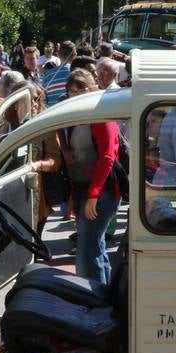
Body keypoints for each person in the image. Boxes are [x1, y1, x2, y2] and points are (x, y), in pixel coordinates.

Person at [61, 69, 121, 285]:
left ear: (91, 88)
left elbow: (107, 158)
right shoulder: (78, 116)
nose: (75, 95)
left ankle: (92, 299)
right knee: (95, 246)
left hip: (101, 191)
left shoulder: (100, 115)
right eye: (71, 92)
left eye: (80, 90)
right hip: (84, 188)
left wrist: (94, 194)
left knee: (87, 251)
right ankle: (103, 296)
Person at [41, 40, 75, 107]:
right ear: (75, 55)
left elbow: (43, 99)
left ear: (58, 54)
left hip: (53, 114)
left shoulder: (47, 75)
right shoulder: (76, 72)